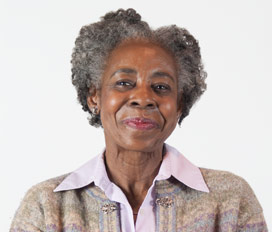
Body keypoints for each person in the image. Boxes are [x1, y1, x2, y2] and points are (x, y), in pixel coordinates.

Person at [10, 8, 267, 232]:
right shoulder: (46, 208)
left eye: (161, 87)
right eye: (124, 83)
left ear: (179, 104)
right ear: (94, 97)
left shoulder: (230, 201)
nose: (143, 98)